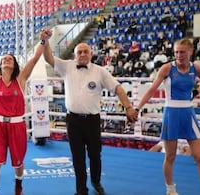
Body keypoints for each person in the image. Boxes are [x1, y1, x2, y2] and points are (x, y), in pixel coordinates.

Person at [41, 28, 138, 195]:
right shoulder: (67, 66)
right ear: (75, 55)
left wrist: (128, 107)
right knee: (77, 157)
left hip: (92, 120)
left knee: (95, 155)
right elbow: (49, 58)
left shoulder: (100, 71)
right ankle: (81, 189)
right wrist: (45, 41)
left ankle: (96, 181)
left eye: (86, 51)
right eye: (80, 52)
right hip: (73, 120)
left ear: (91, 54)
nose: (83, 54)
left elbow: (118, 88)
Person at [0, 25, 47, 195]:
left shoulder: (21, 79)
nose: (6, 60)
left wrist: (43, 41)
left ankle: (19, 183)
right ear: (0, 65)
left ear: (14, 65)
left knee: (18, 163)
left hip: (17, 126)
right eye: (4, 59)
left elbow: (34, 59)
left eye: (10, 59)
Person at [136, 38, 200, 195]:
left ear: (190, 52)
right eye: (176, 52)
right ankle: (170, 190)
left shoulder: (196, 68)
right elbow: (151, 90)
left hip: (188, 113)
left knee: (199, 156)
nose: (179, 55)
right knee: (170, 156)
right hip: (171, 113)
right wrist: (137, 108)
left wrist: (197, 92)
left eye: (182, 52)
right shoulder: (166, 68)